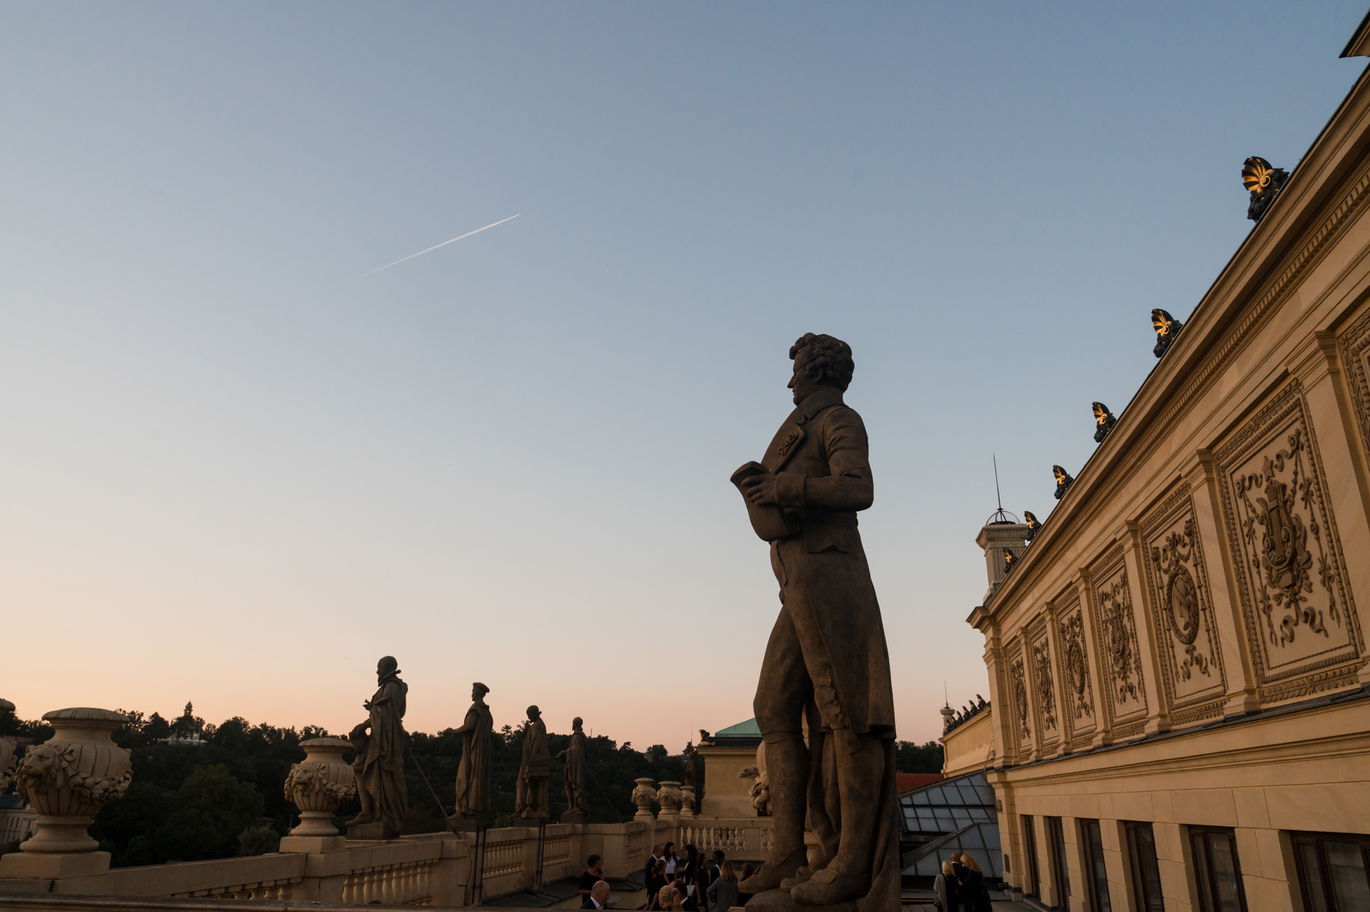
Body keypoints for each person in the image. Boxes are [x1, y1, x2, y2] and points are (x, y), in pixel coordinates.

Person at [733, 333, 898, 907]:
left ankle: (851, 861)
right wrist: (760, 496)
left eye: (798, 367)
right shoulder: (802, 424)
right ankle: (788, 851)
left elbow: (859, 488)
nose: (790, 378)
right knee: (774, 707)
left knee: (844, 711)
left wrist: (783, 485)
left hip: (831, 579)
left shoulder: (840, 419)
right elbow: (775, 525)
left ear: (818, 370)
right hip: (798, 581)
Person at [346, 656, 408, 839]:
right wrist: (371, 713)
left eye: (378, 668)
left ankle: (376, 813)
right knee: (360, 768)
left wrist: (367, 720)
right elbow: (382, 710)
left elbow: (387, 712)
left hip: (386, 740)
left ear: (386, 668)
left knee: (377, 774)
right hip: (381, 736)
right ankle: (368, 812)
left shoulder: (392, 687)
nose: (377, 672)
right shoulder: (389, 686)